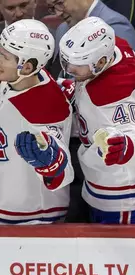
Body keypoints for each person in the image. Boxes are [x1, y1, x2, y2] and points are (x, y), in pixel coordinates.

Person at [59, 17, 135, 224]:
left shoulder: (112, 92)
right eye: (66, 61)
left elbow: (130, 133)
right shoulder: (117, 46)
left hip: (128, 191)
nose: (70, 69)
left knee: (120, 253)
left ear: (101, 62)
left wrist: (123, 147)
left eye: (77, 64)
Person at [0, 19, 73, 223]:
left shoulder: (45, 108)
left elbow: (61, 169)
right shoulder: (19, 78)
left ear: (26, 67)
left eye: (3, 56)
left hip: (32, 216)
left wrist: (50, 160)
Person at [49, 0, 135, 53]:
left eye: (60, 3)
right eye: (52, 8)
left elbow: (122, 77)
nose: (57, 13)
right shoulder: (62, 30)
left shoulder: (115, 26)